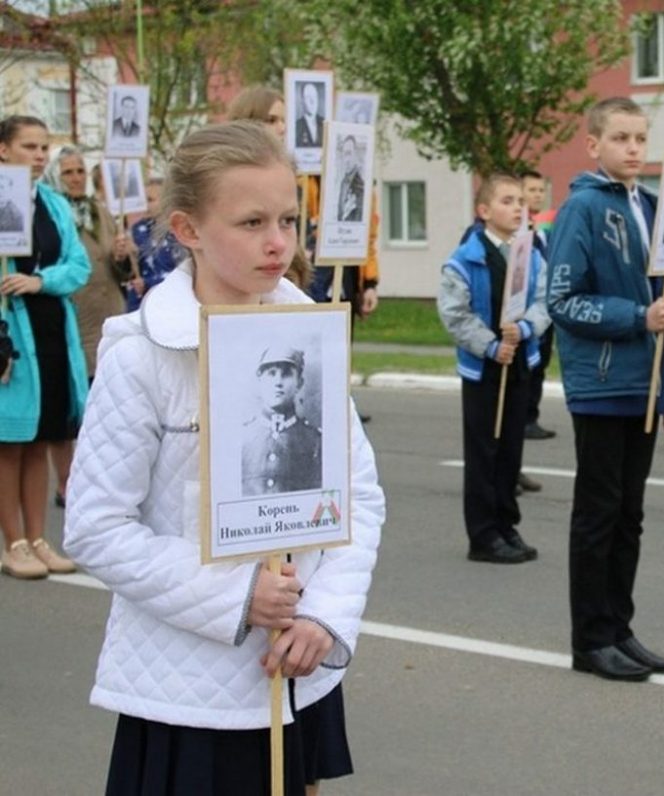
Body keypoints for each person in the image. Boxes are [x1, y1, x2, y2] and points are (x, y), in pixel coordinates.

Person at [64, 120, 385, 794]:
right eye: (250, 222)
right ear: (187, 229)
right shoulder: (141, 356)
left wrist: (326, 614)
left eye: (288, 219)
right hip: (189, 692)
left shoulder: (309, 334)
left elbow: (356, 494)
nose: (278, 242)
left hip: (295, 673)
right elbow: (97, 528)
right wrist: (237, 594)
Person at [548, 96, 664, 682]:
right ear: (595, 145)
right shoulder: (580, 207)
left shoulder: (649, 205)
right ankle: (590, 639)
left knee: (630, 515)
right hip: (602, 383)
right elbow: (563, 299)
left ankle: (619, 628)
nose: (634, 149)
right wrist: (635, 316)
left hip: (645, 386)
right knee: (599, 514)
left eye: (640, 138)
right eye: (622, 138)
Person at [437, 173, 548, 564]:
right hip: (484, 371)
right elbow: (455, 315)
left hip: (518, 364)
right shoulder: (464, 260)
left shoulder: (530, 253)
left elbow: (542, 299)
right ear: (484, 211)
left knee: (511, 450)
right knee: (485, 451)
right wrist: (489, 345)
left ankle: (507, 523)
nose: (517, 207)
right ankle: (483, 534)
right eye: (507, 201)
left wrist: (524, 328)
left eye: (520, 200)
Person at [0, 115, 88, 579]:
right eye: (29, 146)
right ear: (4, 151)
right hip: (10, 336)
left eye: (43, 147)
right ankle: (12, 542)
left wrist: (41, 280)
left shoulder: (53, 203)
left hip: (51, 326)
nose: (39, 155)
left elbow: (79, 266)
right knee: (9, 442)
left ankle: (37, 538)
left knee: (39, 440)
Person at [43, 145, 136, 508]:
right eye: (68, 172)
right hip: (73, 317)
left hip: (108, 315)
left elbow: (123, 272)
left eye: (80, 170)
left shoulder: (102, 212)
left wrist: (122, 257)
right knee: (69, 409)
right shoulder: (53, 214)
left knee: (109, 405)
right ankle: (66, 482)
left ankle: (102, 480)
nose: (76, 177)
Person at [226, 85, 314, 292]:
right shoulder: (226, 177)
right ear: (248, 121)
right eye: (272, 120)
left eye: (284, 120)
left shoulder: (289, 175)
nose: (282, 128)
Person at [241, 345, 323, 496]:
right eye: (271, 374)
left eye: (286, 374)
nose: (278, 382)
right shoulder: (241, 437)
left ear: (299, 383)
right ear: (259, 381)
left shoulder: (316, 441)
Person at [519, 169, 557, 441]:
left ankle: (532, 415)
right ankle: (522, 418)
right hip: (524, 312)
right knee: (528, 366)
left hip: (546, 309)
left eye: (541, 190)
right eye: (531, 190)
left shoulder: (544, 229)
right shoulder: (517, 230)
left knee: (541, 363)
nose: (537, 195)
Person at [127, 176, 185, 311]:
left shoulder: (178, 232)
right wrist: (125, 255)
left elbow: (180, 270)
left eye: (150, 200)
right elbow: (130, 271)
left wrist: (148, 283)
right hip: (142, 304)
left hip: (170, 302)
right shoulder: (137, 229)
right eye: (142, 200)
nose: (145, 205)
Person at [337, 136, 364, 222]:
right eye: (345, 154)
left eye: (349, 153)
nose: (347, 160)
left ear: (355, 154)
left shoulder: (361, 183)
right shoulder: (343, 182)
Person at [295, 82, 325, 148]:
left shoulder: (325, 123)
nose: (313, 101)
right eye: (308, 97)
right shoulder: (296, 126)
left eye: (315, 96)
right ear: (302, 101)